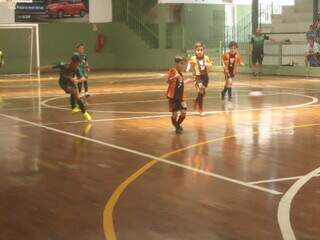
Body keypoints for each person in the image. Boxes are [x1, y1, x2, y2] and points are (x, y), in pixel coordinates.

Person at [38, 55, 92, 122]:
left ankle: (84, 113)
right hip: (63, 83)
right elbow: (51, 66)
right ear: (72, 62)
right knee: (74, 91)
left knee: (77, 97)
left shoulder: (77, 69)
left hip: (71, 83)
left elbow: (83, 78)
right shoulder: (63, 65)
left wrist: (77, 80)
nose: (78, 65)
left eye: (79, 63)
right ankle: (74, 108)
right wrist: (40, 68)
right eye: (77, 63)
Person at [167, 56, 193, 134]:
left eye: (184, 64)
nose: (183, 66)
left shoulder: (181, 74)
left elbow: (179, 84)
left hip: (181, 97)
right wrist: (174, 77)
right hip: (173, 97)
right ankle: (177, 127)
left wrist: (187, 81)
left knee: (183, 113)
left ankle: (177, 126)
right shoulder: (173, 71)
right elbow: (168, 81)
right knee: (174, 115)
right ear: (177, 64)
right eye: (181, 63)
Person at [187, 42, 213, 116]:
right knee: (201, 90)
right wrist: (188, 68)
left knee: (203, 92)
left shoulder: (206, 58)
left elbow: (210, 65)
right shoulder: (193, 58)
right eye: (198, 50)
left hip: (205, 77)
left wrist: (208, 65)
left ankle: (196, 101)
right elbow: (189, 63)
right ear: (195, 51)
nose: (199, 52)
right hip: (198, 77)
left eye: (201, 50)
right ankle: (200, 109)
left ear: (204, 50)